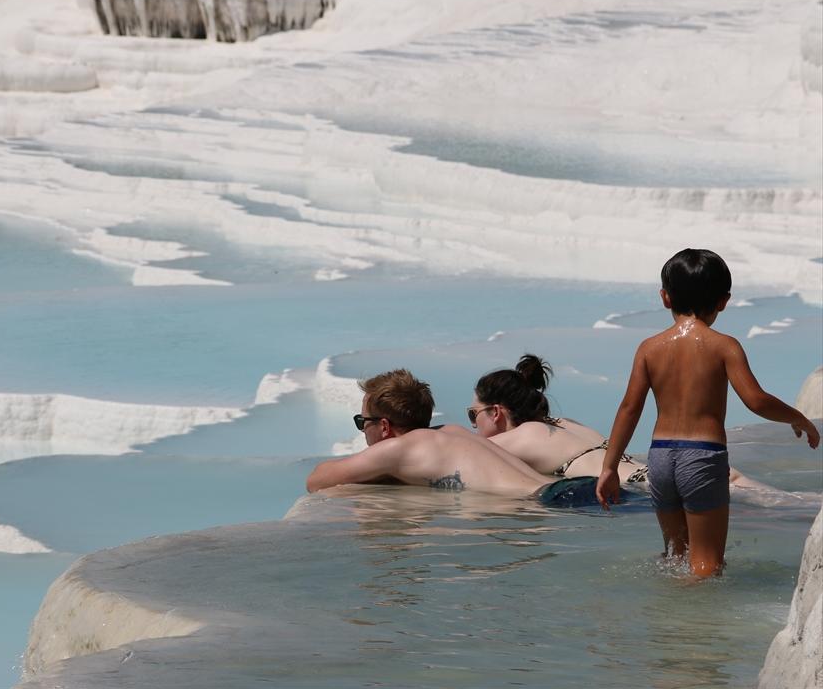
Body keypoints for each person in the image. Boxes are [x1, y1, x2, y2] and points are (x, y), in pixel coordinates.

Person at [595, 248, 819, 578]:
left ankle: (668, 625)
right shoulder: (724, 346)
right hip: (702, 456)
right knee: (706, 566)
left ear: (665, 297)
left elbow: (629, 409)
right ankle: (698, 630)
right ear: (723, 301)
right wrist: (797, 417)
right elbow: (755, 400)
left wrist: (609, 467)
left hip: (660, 458)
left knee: (675, 556)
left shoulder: (649, 348)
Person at [306, 368, 615, 507]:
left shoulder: (398, 449)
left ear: (385, 427)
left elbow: (318, 480)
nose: (363, 430)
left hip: (557, 503)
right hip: (573, 491)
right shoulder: (451, 432)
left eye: (363, 422)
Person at [470, 354, 777, 493]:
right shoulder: (564, 423)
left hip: (655, 488)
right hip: (680, 472)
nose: (473, 426)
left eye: (474, 415)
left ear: (496, 412)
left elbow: (460, 455)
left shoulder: (520, 437)